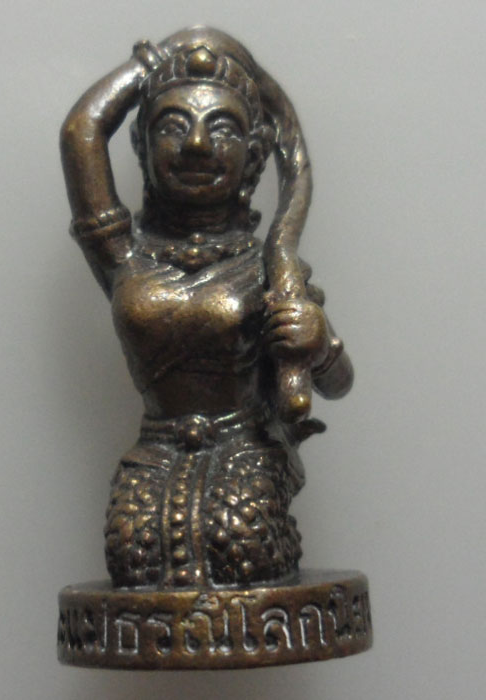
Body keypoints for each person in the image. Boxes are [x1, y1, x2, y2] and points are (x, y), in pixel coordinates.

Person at [60, 27, 353, 589]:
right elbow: (81, 133)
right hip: (154, 456)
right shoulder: (125, 256)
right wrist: (149, 65)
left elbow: (338, 383)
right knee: (134, 559)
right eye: (172, 126)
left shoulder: (270, 267)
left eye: (222, 129)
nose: (196, 145)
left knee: (246, 553)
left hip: (247, 452)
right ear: (143, 151)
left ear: (253, 159)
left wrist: (316, 342)